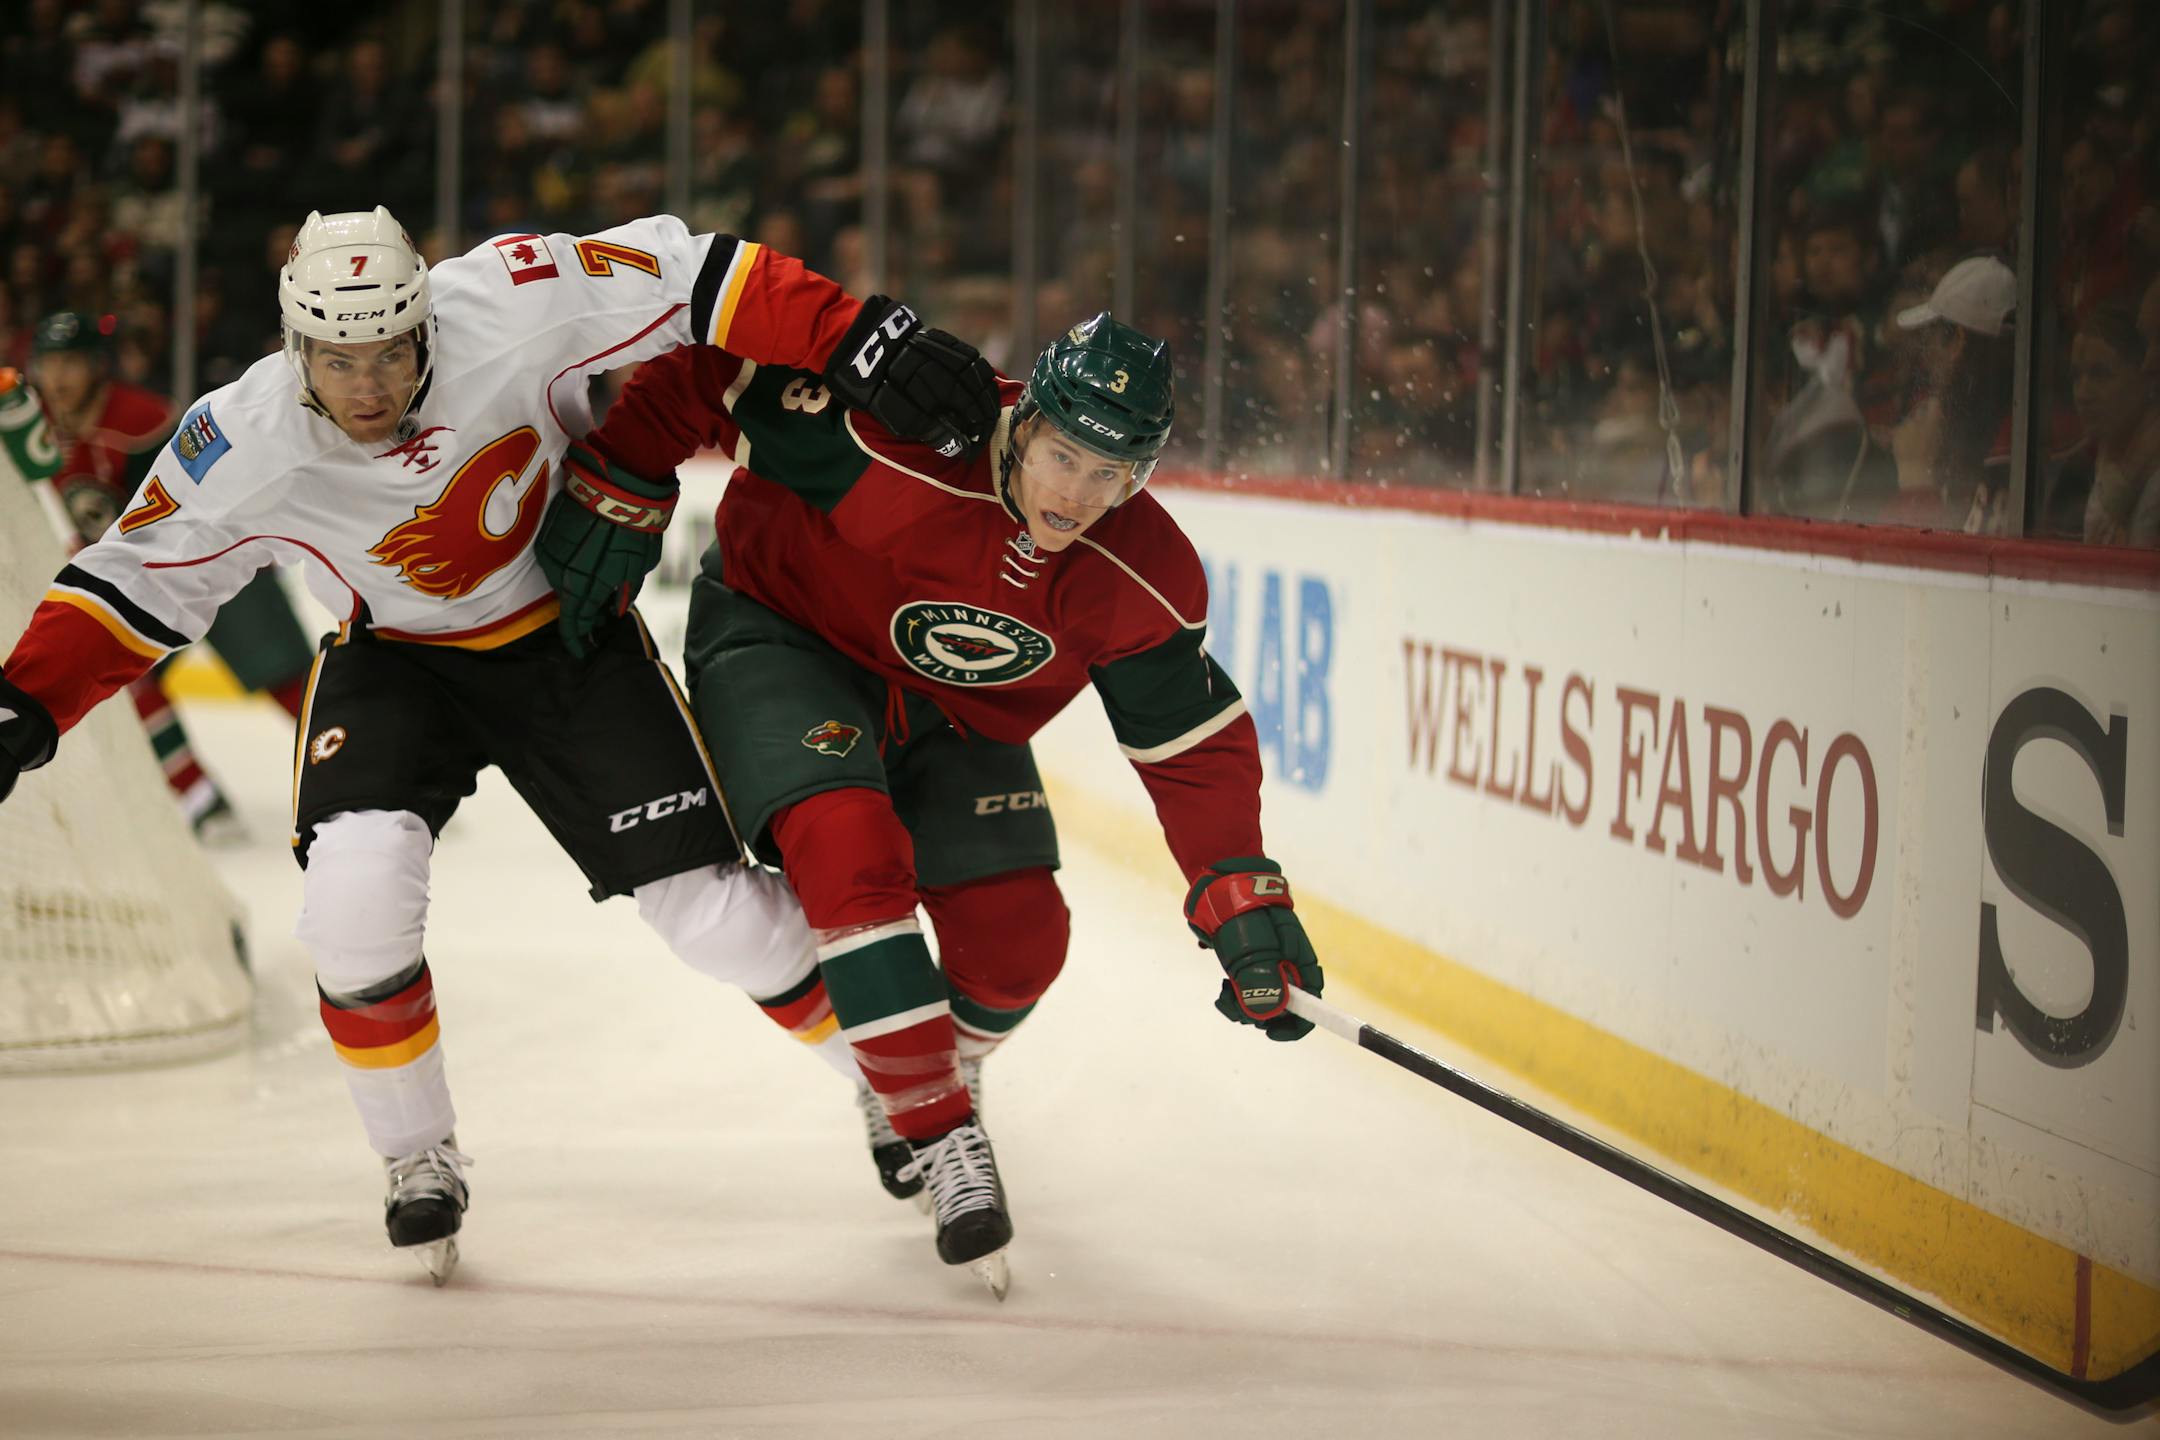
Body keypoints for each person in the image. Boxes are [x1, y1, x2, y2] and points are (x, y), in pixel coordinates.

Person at [0, 207, 1000, 1285]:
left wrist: (854, 332)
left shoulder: (512, 298)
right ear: (296, 349)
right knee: (352, 904)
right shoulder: (242, 436)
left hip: (565, 639)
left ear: (426, 323)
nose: (369, 387)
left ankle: (911, 1089)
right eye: (338, 361)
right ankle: (415, 1152)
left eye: (390, 353)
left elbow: (694, 271)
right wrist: (28, 700)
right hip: (398, 663)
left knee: (715, 918)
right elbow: (135, 576)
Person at [543, 313, 1328, 1297]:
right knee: (849, 854)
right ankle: (941, 1131)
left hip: (951, 710)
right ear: (1025, 421)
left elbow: (1190, 745)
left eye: (1111, 473)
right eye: (1064, 457)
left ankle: (911, 1062)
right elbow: (709, 373)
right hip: (786, 636)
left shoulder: (1143, 571)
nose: (1078, 496)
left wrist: (1240, 889)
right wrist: (620, 478)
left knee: (1020, 943)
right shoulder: (901, 425)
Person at [19, 309, 319, 838]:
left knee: (285, 676)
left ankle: (375, 768)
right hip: (137, 582)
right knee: (130, 688)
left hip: (220, 560)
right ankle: (201, 800)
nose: (58, 377)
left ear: (97, 366)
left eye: (71, 363)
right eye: (49, 363)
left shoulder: (142, 420)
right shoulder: (40, 431)